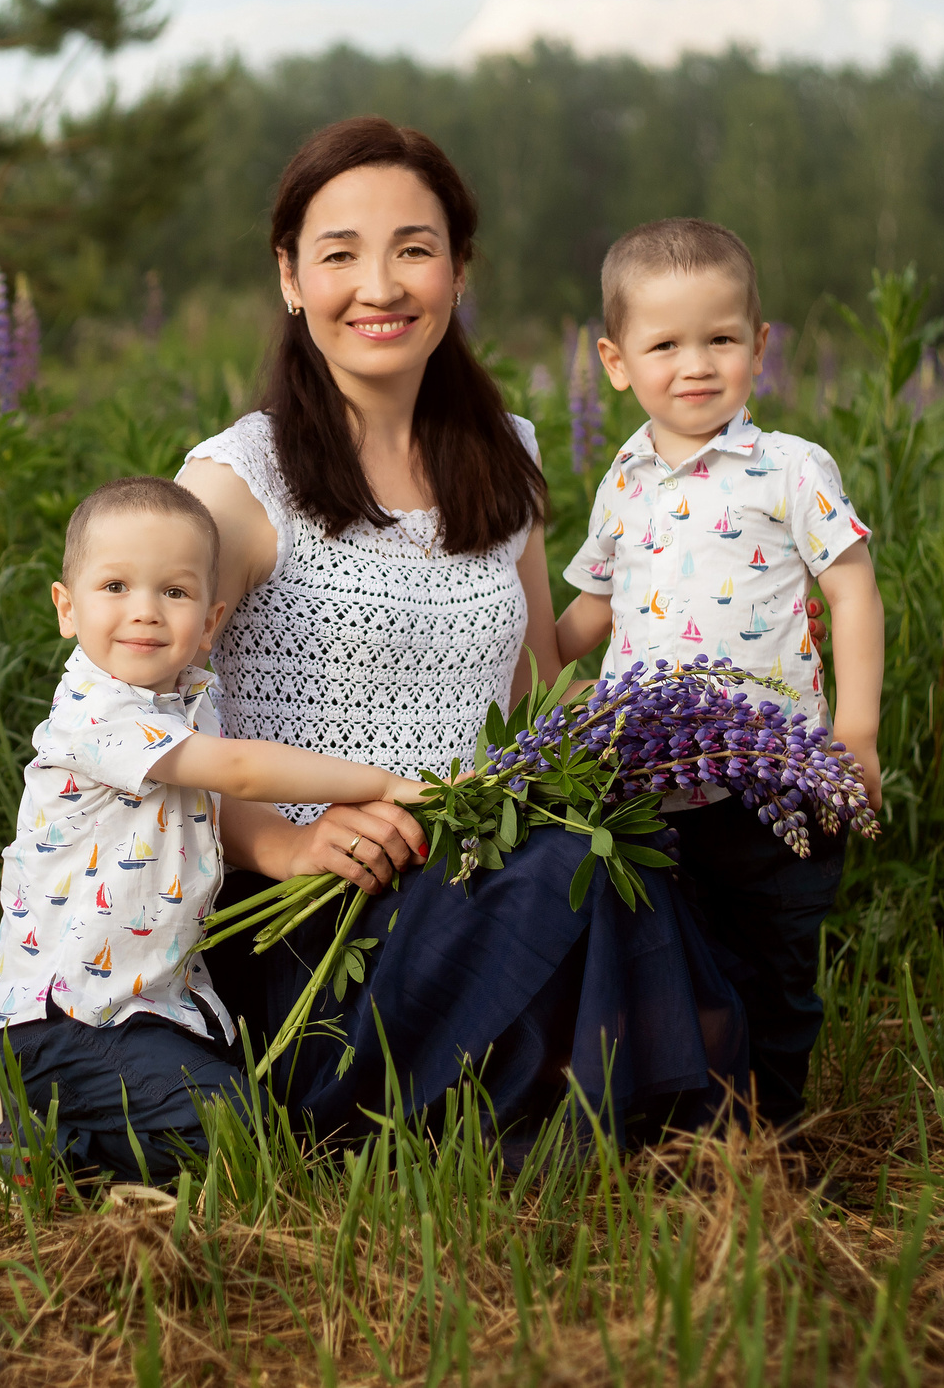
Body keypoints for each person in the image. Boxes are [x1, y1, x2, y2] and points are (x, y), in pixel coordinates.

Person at [181, 118, 748, 1158]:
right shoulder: (235, 485)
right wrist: (284, 840)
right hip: (321, 925)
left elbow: (535, 693)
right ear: (290, 278)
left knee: (619, 850)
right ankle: (636, 1128)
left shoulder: (504, 459)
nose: (380, 287)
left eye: (414, 249)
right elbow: (125, 731)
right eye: (339, 254)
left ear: (457, 270)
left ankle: (655, 1136)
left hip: (482, 867)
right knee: (561, 874)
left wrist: (711, 636)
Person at [0, 475, 426, 1186]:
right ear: (67, 607)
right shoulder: (97, 712)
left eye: (175, 592)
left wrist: (288, 847)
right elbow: (242, 771)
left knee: (253, 1122)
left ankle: (58, 1136)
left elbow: (221, 803)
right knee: (241, 1142)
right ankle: (38, 1115)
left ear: (212, 619)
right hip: (69, 1019)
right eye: (116, 586)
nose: (146, 612)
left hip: (152, 1010)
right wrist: (384, 781)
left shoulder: (189, 700)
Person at [554, 218, 886, 1124]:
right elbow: (590, 609)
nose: (696, 363)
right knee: (680, 964)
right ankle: (701, 1133)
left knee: (774, 962)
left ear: (760, 345)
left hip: (778, 776)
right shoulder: (623, 478)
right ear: (616, 362)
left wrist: (854, 733)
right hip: (652, 782)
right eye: (666, 344)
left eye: (722, 339)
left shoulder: (788, 468)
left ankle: (773, 1138)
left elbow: (853, 593)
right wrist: (516, 660)